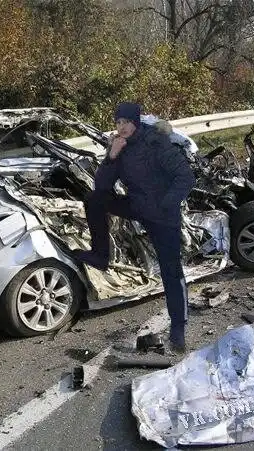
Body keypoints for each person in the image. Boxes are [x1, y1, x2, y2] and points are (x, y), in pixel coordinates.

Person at [72, 102, 196, 352]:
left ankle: (178, 329)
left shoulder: (156, 143)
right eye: (118, 122)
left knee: (171, 271)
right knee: (94, 199)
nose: (122, 127)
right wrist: (112, 156)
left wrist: (166, 203)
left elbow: (185, 177)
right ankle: (100, 255)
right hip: (138, 206)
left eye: (126, 122)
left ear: (136, 122)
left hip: (163, 215)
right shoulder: (120, 146)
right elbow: (102, 187)